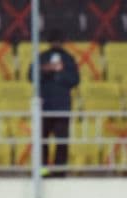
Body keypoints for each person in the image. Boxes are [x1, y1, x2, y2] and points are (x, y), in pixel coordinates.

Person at [32, 29, 79, 177]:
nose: (56, 44)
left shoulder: (69, 59)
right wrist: (45, 70)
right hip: (44, 106)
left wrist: (59, 73)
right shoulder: (42, 57)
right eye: (54, 41)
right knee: (42, 141)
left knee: (62, 141)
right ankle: (43, 171)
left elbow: (75, 80)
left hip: (62, 107)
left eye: (58, 41)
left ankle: (59, 172)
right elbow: (31, 75)